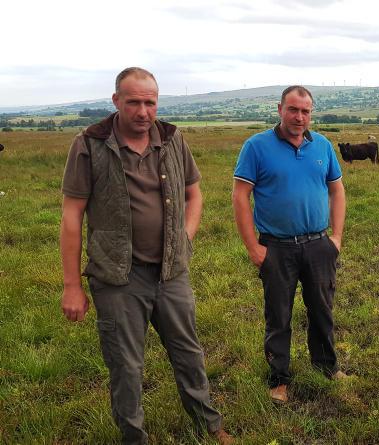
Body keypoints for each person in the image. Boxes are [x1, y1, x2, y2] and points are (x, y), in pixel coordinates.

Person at [59, 67, 233, 445]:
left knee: (188, 353)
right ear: (116, 101)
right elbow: (72, 216)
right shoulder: (90, 144)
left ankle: (210, 426)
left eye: (150, 103)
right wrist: (72, 286)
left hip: (171, 272)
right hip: (117, 276)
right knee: (125, 365)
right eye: (134, 102)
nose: (143, 112)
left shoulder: (171, 138)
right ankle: (134, 437)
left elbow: (194, 193)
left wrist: (184, 239)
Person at [232, 85, 347, 403]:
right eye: (293, 110)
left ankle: (326, 367)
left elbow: (337, 190)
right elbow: (240, 196)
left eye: (305, 111)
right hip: (277, 247)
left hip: (318, 244)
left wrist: (336, 237)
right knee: (278, 315)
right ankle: (279, 379)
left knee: (322, 309)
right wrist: (253, 247)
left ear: (311, 113)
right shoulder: (256, 146)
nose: (299, 117)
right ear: (280, 109)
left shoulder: (322, 146)